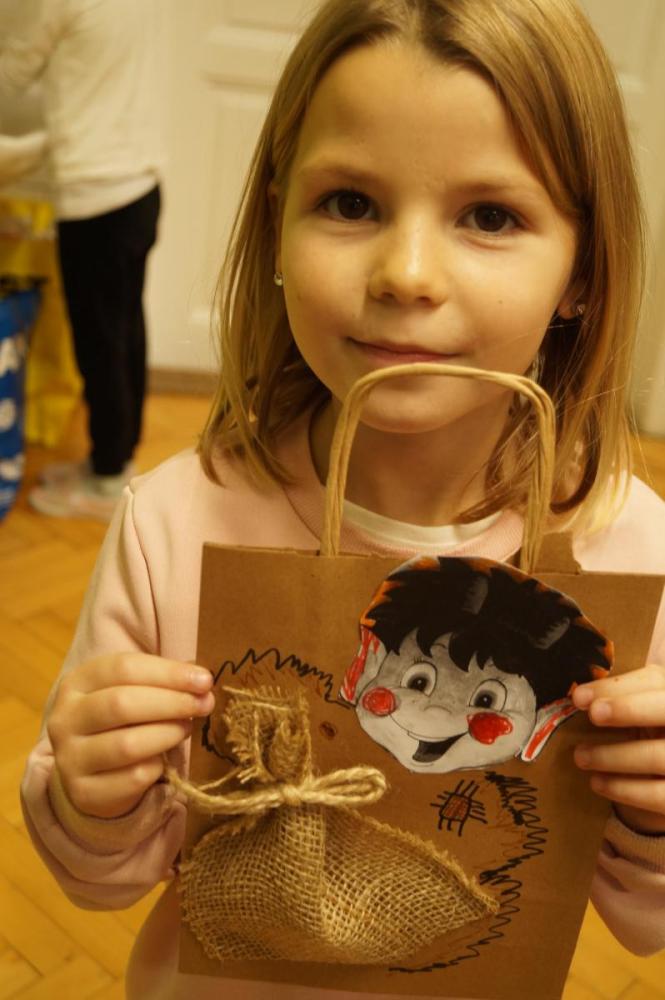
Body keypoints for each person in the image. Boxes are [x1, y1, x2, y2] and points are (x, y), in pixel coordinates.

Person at [20, 0, 665, 997]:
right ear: (277, 221)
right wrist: (91, 794)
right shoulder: (172, 523)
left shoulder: (632, 554)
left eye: (489, 217)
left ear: (580, 269)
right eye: (351, 203)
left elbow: (642, 918)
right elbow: (102, 878)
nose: (404, 274)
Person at [0, 0, 162, 521]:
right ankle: (112, 460)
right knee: (124, 333)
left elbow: (9, 74)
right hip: (140, 188)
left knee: (101, 343)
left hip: (96, 198)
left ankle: (108, 478)